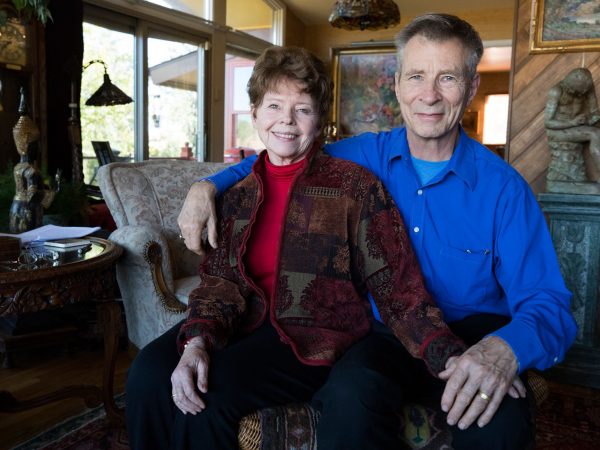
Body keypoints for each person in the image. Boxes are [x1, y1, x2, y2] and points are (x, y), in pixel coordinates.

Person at [178, 13, 577, 449]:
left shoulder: (504, 190)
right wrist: (206, 186)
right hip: (385, 335)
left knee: (499, 423)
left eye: (447, 78)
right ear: (398, 84)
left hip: (474, 335)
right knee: (349, 400)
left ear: (470, 87)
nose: (429, 94)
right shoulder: (360, 157)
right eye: (416, 76)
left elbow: (549, 304)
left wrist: (505, 350)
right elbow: (284, 153)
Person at [127, 45, 468, 450]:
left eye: (302, 109)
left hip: (313, 338)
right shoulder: (235, 196)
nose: (287, 120)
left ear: (319, 120)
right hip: (241, 324)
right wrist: (197, 341)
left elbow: (397, 287)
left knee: (205, 397)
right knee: (147, 374)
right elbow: (220, 284)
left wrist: (445, 353)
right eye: (274, 106)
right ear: (255, 114)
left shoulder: (355, 187)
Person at [544, 67, 600, 183]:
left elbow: (595, 112)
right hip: (557, 130)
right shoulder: (556, 91)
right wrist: (572, 122)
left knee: (596, 132)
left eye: (582, 93)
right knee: (595, 134)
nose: (580, 94)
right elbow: (548, 122)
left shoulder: (587, 88)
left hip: (576, 126)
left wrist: (590, 120)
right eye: (575, 91)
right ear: (569, 85)